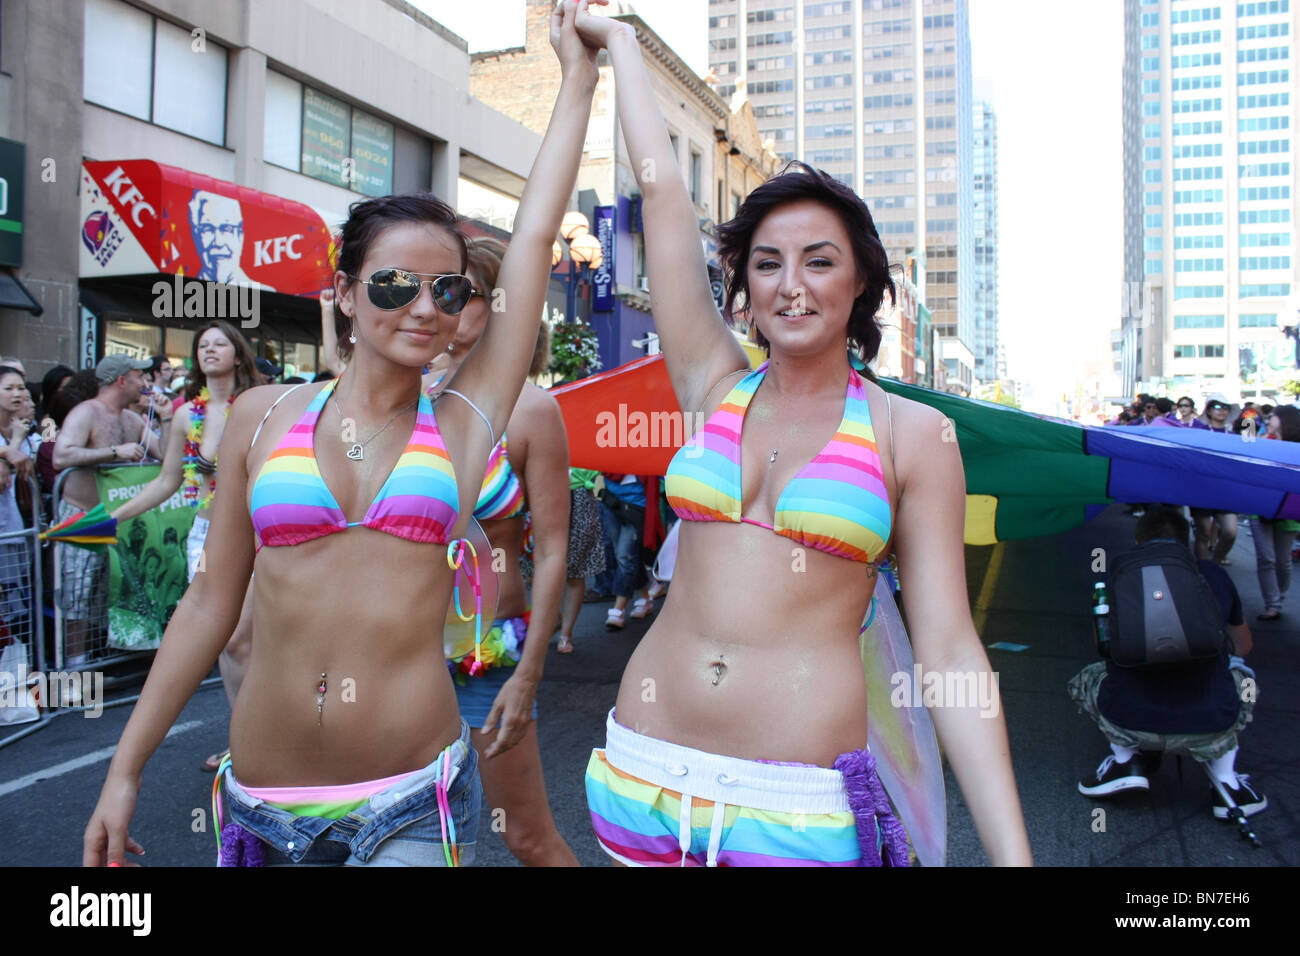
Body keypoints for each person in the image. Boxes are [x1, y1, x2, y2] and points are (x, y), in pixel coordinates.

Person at [82, 0, 599, 868]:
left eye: (448, 291)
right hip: (259, 805)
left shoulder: (467, 423)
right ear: (347, 294)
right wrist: (124, 768)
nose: (425, 308)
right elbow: (209, 605)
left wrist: (578, 74)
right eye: (395, 285)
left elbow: (536, 233)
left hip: (408, 800)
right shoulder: (260, 417)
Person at [571, 8, 1030, 867]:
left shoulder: (912, 433)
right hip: (640, 774)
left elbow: (947, 646)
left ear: (860, 284)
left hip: (794, 809)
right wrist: (621, 42)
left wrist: (1012, 854)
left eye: (819, 260)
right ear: (741, 281)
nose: (791, 285)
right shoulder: (711, 384)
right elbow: (662, 192)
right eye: (768, 262)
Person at [431, 235, 579, 867]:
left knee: (526, 836)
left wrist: (530, 672)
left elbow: (552, 552)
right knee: (413, 838)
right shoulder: (391, 398)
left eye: (459, 292)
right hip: (385, 656)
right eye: (435, 290)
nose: (440, 305)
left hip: (483, 656)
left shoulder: (530, 411)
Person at [109, 321, 261, 769]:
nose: (209, 350)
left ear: (238, 353)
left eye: (220, 343)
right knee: (230, 644)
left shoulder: (257, 404)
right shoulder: (184, 415)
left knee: (241, 640)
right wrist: (110, 518)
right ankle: (246, 741)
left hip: (258, 534)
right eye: (202, 345)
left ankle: (259, 740)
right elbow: (167, 481)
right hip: (208, 536)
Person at [1072, 508, 1265, 819]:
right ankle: (1227, 781)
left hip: (1128, 716)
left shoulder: (1119, 576)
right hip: (1211, 722)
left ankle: (1126, 761)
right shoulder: (1214, 574)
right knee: (1244, 677)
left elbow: (1104, 649)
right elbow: (1243, 646)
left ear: (1138, 540)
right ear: (1186, 540)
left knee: (1091, 675)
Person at [52, 355, 163, 668]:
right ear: (121, 380)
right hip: (81, 515)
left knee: (109, 592)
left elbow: (166, 455)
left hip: (119, 521)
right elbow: (61, 455)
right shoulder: (85, 412)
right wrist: (115, 451)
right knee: (77, 593)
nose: (145, 383)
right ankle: (75, 664)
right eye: (139, 376)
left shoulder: (132, 419)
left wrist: (167, 418)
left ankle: (103, 659)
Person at [1249, 405, 1300, 621]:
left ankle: (1280, 596)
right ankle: (1273, 603)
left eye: (1272, 417)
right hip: (1259, 508)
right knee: (1266, 558)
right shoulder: (1261, 442)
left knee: (1282, 561)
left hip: (1289, 511)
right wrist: (1249, 417)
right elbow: (1244, 444)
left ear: (1285, 420)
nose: (1267, 420)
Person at [556, 466, 606, 652]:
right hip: (543, 488)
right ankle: (554, 618)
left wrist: (587, 474)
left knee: (577, 570)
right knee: (533, 568)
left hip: (579, 495)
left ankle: (565, 634)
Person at [596, 472, 653, 629]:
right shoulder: (610, 448)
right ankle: (645, 599)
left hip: (637, 505)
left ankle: (618, 609)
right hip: (611, 503)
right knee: (627, 557)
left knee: (625, 556)